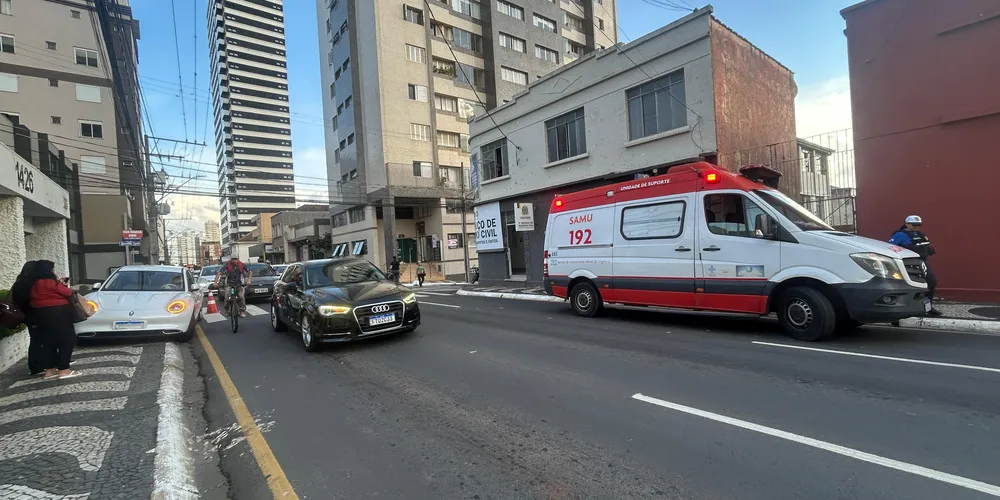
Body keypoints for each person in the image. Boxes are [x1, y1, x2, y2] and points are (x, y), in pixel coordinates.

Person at [28, 260, 80, 380]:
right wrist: (62, 284)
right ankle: (64, 370)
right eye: (52, 269)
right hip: (59, 313)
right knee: (67, 340)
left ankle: (50, 371)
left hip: (40, 314)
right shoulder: (50, 282)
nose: (54, 271)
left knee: (48, 342)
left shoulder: (33, 284)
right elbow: (68, 292)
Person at [890, 215, 942, 316]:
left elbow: (925, 245)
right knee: (914, 285)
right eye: (914, 225)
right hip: (908, 264)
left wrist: (929, 250)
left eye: (918, 225)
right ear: (907, 224)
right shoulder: (899, 235)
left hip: (922, 262)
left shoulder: (919, 234)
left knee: (931, 282)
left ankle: (928, 307)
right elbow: (891, 248)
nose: (917, 227)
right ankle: (911, 309)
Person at [11, 261, 44, 375]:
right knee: (38, 340)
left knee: (35, 339)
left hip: (27, 315)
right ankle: (36, 366)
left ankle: (36, 365)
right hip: (35, 314)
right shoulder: (30, 284)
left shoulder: (19, 283)